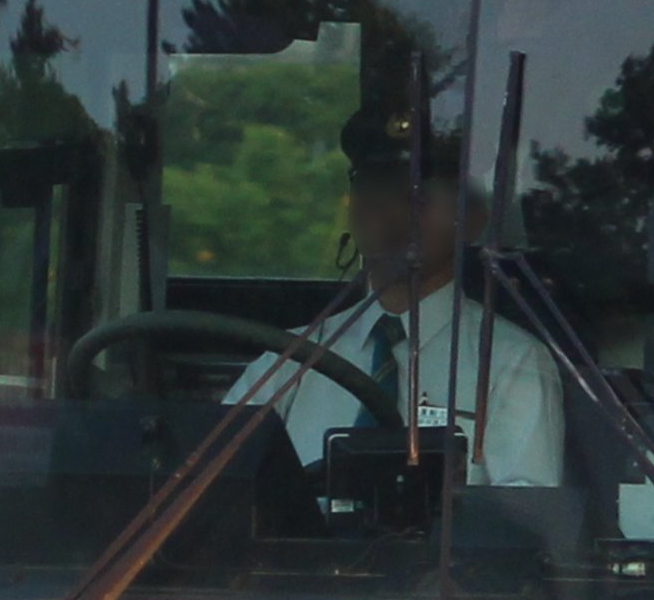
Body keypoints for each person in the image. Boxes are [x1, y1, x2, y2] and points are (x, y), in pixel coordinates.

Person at [232, 110, 566, 488]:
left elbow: (527, 528)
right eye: (374, 189)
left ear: (469, 219)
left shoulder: (511, 363)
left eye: (418, 196)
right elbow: (214, 494)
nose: (393, 211)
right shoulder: (284, 364)